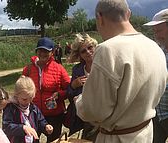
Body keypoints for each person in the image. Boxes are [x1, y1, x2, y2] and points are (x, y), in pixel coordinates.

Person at [74, 0, 168, 143]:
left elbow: (94, 111)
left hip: (117, 138)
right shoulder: (154, 47)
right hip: (145, 134)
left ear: (99, 18)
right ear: (128, 14)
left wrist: (79, 101)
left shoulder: (108, 50)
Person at [22, 37, 70, 142]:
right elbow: (21, 88)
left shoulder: (59, 69)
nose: (42, 53)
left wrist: (59, 94)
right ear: (36, 52)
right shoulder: (28, 69)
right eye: (40, 50)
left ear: (52, 52)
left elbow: (69, 89)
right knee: (32, 140)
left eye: (46, 51)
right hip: (33, 114)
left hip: (54, 114)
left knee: (53, 140)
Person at [66, 33, 99, 141]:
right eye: (83, 51)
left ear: (95, 47)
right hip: (85, 116)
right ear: (79, 55)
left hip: (103, 114)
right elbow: (69, 95)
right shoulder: (77, 70)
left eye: (90, 48)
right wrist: (73, 85)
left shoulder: (104, 65)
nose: (88, 52)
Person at [2, 75, 53, 143]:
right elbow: (7, 127)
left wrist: (45, 126)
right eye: (24, 99)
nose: (28, 102)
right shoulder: (10, 108)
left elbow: (40, 120)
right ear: (16, 95)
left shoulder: (33, 107)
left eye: (31, 98)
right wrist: (23, 128)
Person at [144, 8, 168, 143]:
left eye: (159, 30)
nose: (156, 35)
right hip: (157, 114)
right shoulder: (159, 52)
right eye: (154, 31)